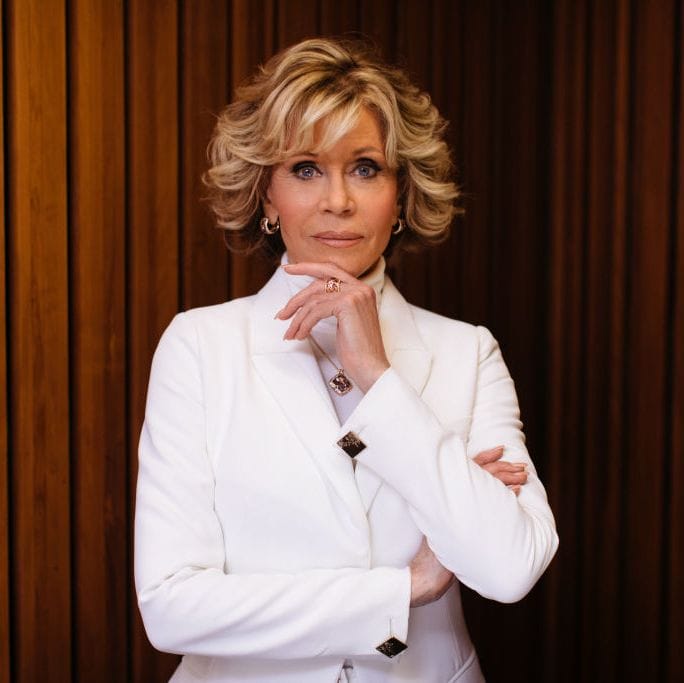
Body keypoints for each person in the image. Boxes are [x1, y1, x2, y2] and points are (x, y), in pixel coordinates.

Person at [134, 37, 558, 683]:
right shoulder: (198, 347)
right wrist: (405, 588)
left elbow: (510, 566)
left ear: (400, 193)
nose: (338, 199)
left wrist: (378, 380)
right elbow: (171, 608)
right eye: (306, 169)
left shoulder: (467, 352)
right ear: (268, 195)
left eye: (365, 168)